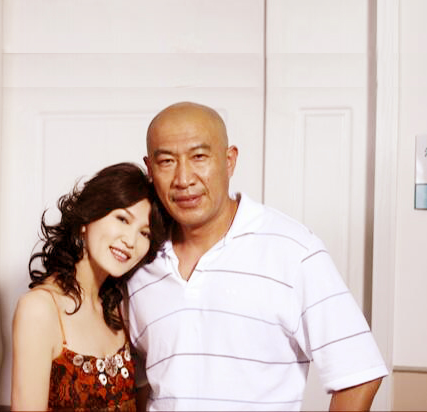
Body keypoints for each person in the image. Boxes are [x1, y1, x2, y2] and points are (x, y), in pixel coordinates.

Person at [126, 102, 388, 411]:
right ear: (150, 169)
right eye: (167, 161)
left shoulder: (294, 250)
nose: (184, 179)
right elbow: (140, 382)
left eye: (199, 157)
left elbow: (359, 374)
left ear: (229, 161)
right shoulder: (139, 260)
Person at [11, 163, 167, 411]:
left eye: (145, 233)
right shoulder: (39, 309)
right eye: (122, 219)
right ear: (87, 217)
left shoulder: (120, 307)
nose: (130, 241)